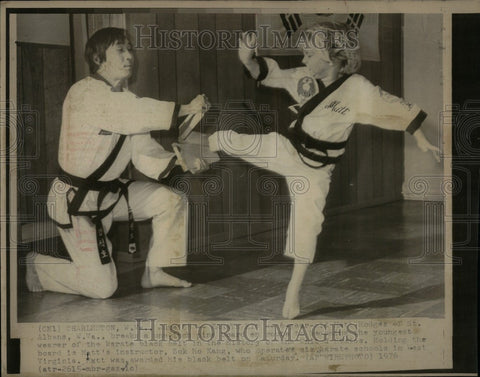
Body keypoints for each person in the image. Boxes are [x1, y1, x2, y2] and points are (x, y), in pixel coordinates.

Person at [208, 22, 440, 319]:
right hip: (290, 149)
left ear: (330, 56)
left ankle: (293, 292)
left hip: (316, 171)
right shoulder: (303, 77)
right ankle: (201, 148)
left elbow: (393, 107)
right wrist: (247, 59)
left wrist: (421, 138)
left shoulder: (357, 89)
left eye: (308, 54)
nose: (303, 60)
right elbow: (269, 74)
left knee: (308, 226)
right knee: (243, 141)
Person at [26, 27, 209, 298]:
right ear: (99, 59)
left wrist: (183, 162)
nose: (129, 57)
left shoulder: (127, 101)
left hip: (111, 194)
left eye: (130, 49)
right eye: (120, 50)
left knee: (172, 200)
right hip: (77, 201)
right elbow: (132, 114)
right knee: (102, 288)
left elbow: (143, 151)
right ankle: (38, 264)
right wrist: (187, 108)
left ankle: (155, 271)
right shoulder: (84, 93)